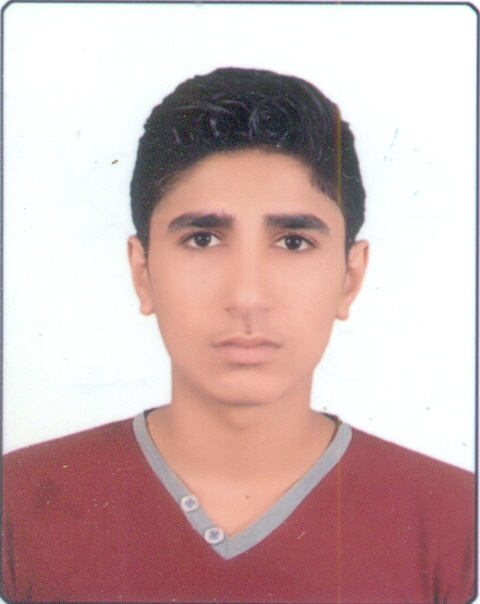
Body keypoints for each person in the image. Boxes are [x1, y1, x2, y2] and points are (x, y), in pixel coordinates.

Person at [2, 68, 474, 604]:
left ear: (350, 277)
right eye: (203, 239)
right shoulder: (16, 505)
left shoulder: (459, 521)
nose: (247, 296)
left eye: (293, 242)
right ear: (143, 271)